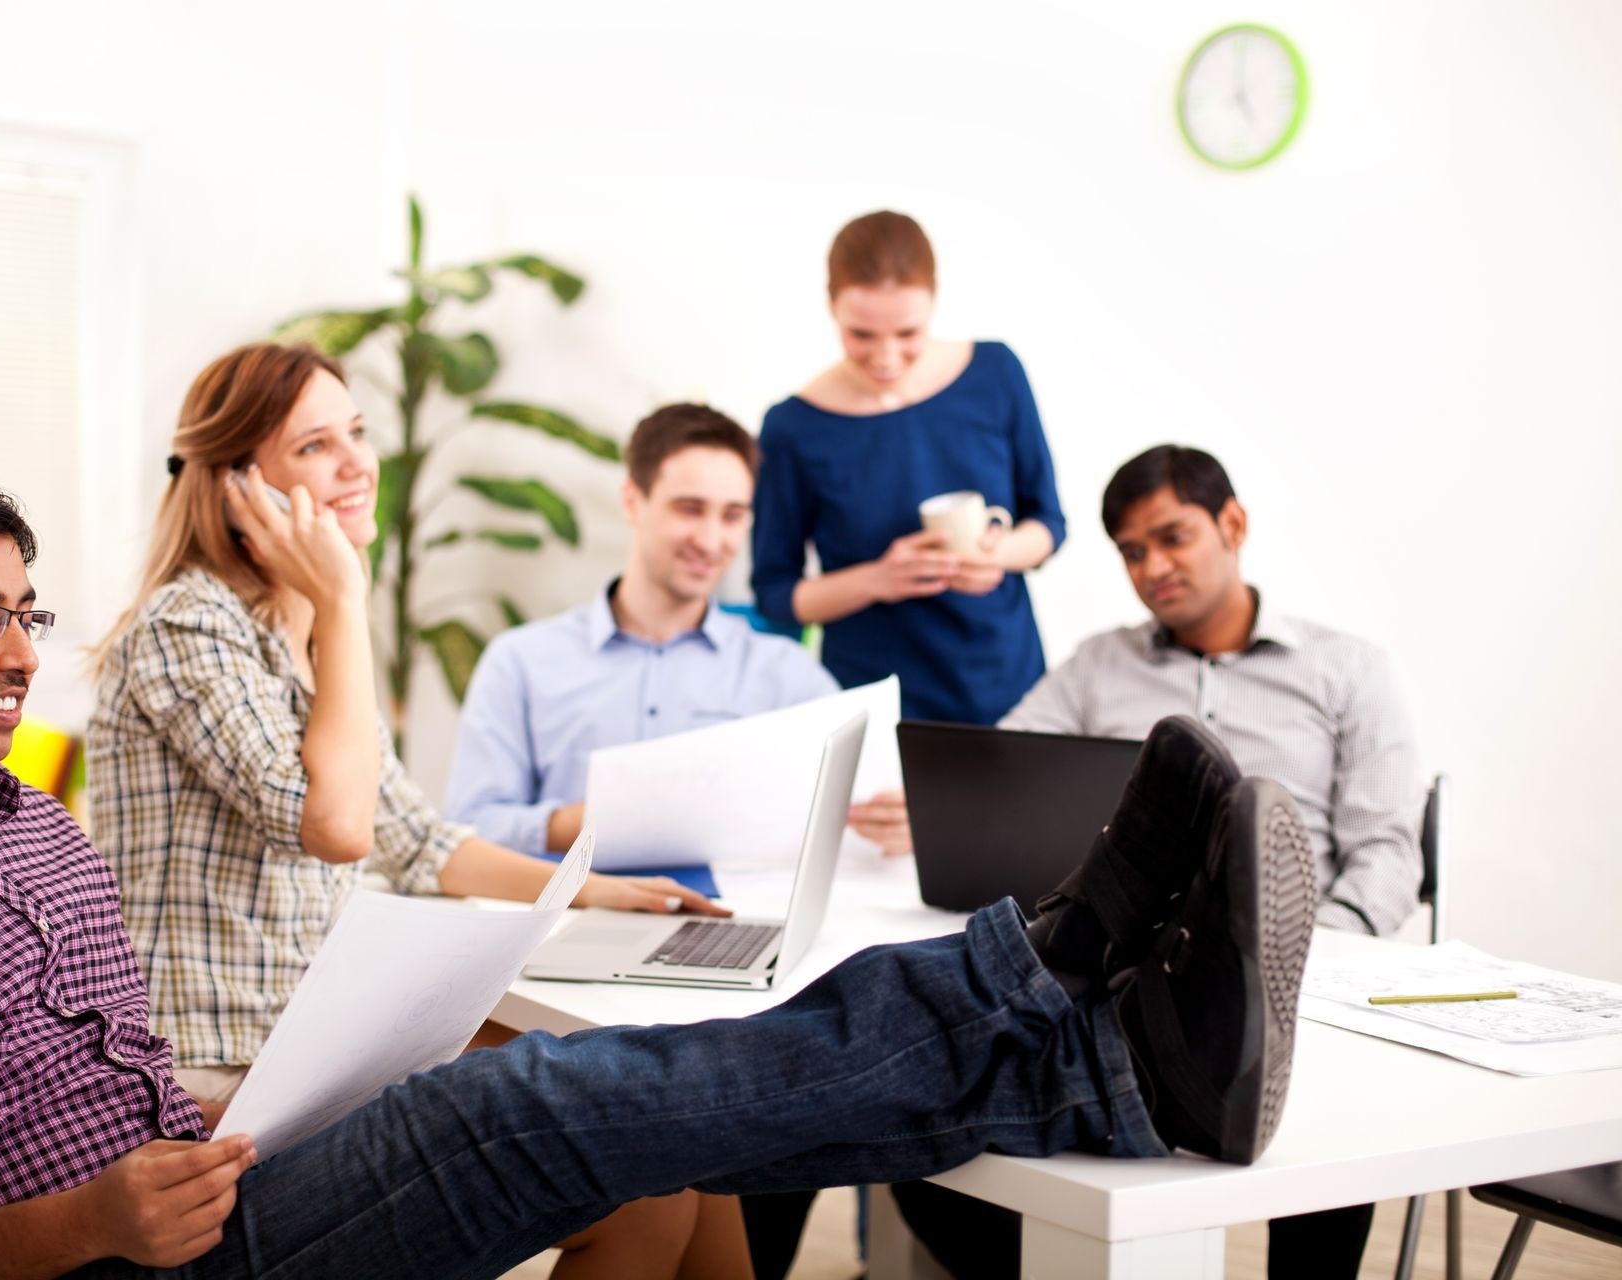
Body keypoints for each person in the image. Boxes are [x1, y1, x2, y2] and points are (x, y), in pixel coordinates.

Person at [0, 453, 1318, 1280]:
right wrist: (92, 1226)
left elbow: (116, 1092)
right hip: (113, 1269)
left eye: (22, 613)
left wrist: (229, 1112)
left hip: (189, 1196)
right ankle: (1051, 997)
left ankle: (1100, 1053)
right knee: (555, 1102)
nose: (12, 654)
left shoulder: (29, 827)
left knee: (603, 1080)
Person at [85, 343, 741, 1276]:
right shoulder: (189, 627)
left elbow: (412, 837)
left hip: (316, 1041)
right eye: (317, 446)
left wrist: (593, 890)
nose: (359, 463)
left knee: (673, 1119)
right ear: (241, 487)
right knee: (639, 1178)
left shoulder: (301, 627)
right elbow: (337, 825)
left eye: (357, 432)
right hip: (221, 1072)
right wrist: (345, 602)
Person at [891, 444, 1424, 1280]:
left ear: (1233, 524)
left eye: (1172, 538)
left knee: (1326, 1126)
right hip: (1115, 972)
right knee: (929, 1123)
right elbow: (1009, 765)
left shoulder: (1348, 669)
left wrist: (1308, 950)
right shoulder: (1101, 663)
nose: (1153, 568)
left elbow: (1388, 851)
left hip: (1285, 974)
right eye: (1132, 552)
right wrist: (940, 799)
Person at [444, 401, 910, 858]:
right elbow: (469, 827)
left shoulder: (786, 675)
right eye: (689, 509)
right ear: (633, 500)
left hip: (732, 920)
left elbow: (869, 809)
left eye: (731, 516)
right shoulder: (521, 662)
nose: (710, 541)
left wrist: (898, 826)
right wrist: (598, 822)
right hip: (568, 918)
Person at [750, 210, 1066, 731]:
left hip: (1008, 683)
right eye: (861, 334)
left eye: (907, 332)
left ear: (934, 301)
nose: (886, 357)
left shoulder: (995, 373)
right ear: (831, 307)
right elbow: (778, 594)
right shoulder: (792, 427)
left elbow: (1049, 521)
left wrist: (998, 555)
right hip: (876, 703)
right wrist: (879, 579)